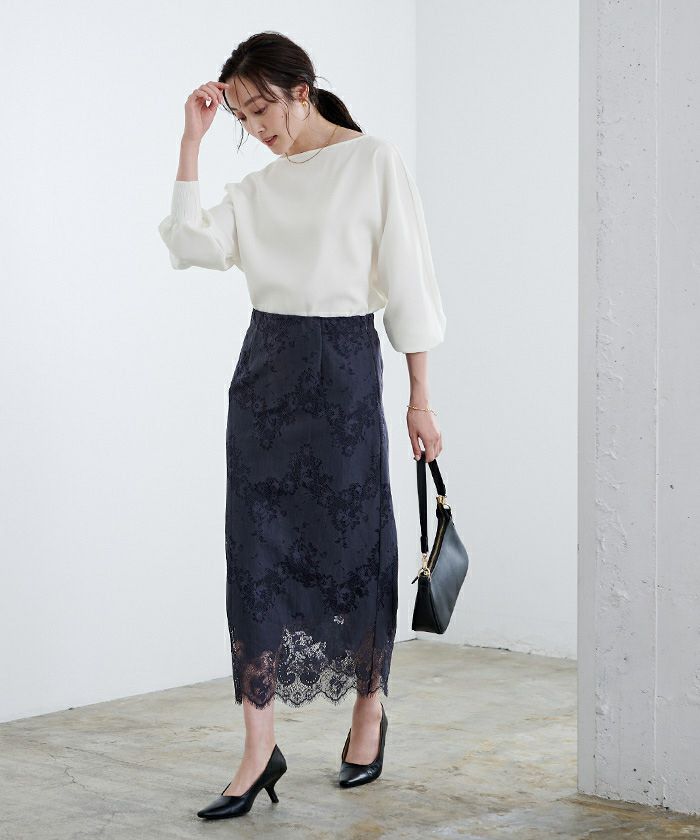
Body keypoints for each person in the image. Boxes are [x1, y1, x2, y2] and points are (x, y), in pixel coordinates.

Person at [157, 31, 446, 820]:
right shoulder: (258, 189)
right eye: (243, 118)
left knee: (357, 549)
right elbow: (189, 245)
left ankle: (368, 714)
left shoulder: (373, 161)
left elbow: (410, 283)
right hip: (265, 377)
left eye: (262, 109)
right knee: (255, 557)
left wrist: (420, 397)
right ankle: (259, 751)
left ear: (302, 90)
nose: (257, 129)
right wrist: (192, 142)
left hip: (344, 371)